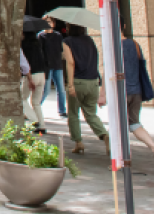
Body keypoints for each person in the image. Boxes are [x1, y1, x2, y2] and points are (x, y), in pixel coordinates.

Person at [121, 25, 154, 173]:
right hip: (137, 91)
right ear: (123, 26)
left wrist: (103, 93)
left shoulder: (114, 46)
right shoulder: (135, 44)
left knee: (120, 126)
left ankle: (124, 160)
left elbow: (109, 71)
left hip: (121, 91)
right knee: (135, 124)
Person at [62, 24, 109, 154]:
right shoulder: (89, 40)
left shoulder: (67, 42)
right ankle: (104, 134)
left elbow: (70, 62)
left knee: (73, 113)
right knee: (91, 114)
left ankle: (78, 142)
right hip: (93, 81)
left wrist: (70, 84)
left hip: (78, 81)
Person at [21, 29, 48, 133]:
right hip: (42, 74)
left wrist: (29, 78)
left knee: (22, 98)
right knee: (36, 102)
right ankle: (42, 125)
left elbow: (26, 64)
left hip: (32, 74)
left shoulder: (24, 45)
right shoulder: (38, 44)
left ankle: (34, 120)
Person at [39, 18, 67, 118]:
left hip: (57, 65)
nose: (48, 24)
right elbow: (40, 52)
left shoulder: (58, 35)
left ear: (53, 24)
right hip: (46, 66)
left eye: (50, 22)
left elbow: (61, 49)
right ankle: (36, 107)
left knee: (61, 89)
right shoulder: (41, 36)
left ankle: (62, 110)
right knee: (46, 90)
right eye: (46, 22)